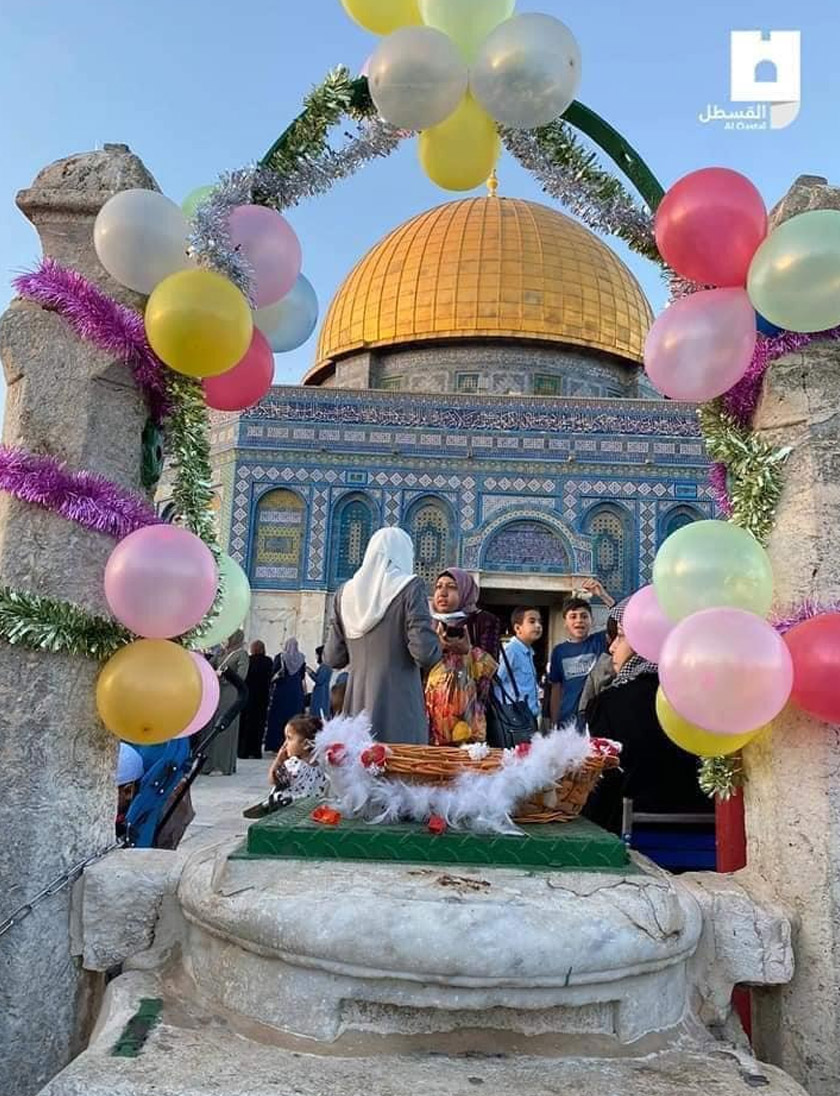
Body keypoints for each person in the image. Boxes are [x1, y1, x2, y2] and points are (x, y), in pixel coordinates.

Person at [582, 599, 709, 835]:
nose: (611, 648)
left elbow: (600, 788)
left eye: (620, 636)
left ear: (646, 642)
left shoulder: (610, 705)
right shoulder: (708, 698)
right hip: (706, 837)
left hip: (630, 838)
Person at [323, 527, 440, 744]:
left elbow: (333, 658)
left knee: (360, 769)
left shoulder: (344, 594)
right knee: (400, 772)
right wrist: (438, 640)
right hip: (400, 707)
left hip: (356, 707)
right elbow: (425, 653)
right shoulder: (410, 587)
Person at [548, 578, 615, 728]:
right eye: (573, 616)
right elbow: (556, 689)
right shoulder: (559, 651)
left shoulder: (600, 641)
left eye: (584, 616)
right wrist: (554, 721)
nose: (579, 621)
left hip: (596, 718)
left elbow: (622, 622)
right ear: (565, 622)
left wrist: (603, 595)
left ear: (592, 620)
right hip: (567, 721)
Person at [244, 715, 328, 819]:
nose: (285, 744)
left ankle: (266, 806)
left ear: (306, 744)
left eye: (289, 738)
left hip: (288, 810)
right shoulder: (322, 767)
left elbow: (273, 779)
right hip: (310, 811)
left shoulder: (294, 765)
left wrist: (279, 759)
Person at [202, 630, 249, 775]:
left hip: (230, 694)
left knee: (225, 729)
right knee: (211, 727)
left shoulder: (241, 654)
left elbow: (241, 676)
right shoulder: (222, 654)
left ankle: (222, 765)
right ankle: (207, 764)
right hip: (217, 693)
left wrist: (223, 676)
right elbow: (207, 666)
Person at [432, 567, 501, 660]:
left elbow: (491, 666)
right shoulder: (428, 622)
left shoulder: (484, 620)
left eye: (452, 587)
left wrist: (468, 650)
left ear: (466, 591)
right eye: (438, 587)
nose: (442, 593)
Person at [495, 607, 543, 719]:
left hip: (529, 716)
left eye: (540, 622)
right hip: (516, 717)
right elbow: (496, 682)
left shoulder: (528, 652)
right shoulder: (511, 650)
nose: (538, 626)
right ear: (517, 628)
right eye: (532, 621)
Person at [265, 637, 307, 752]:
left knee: (279, 717)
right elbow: (302, 675)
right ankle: (294, 745)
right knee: (294, 718)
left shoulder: (281, 657)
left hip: (282, 690)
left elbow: (274, 673)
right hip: (296, 691)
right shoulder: (301, 658)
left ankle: (275, 745)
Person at [238, 640, 273, 759]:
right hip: (262, 696)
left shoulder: (249, 660)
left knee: (246, 723)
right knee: (259, 723)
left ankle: (244, 751)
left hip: (249, 696)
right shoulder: (268, 661)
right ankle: (256, 751)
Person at [308, 646, 332, 719]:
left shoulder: (325, 666)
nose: (316, 657)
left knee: (319, 713)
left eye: (317, 655)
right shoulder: (325, 665)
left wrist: (310, 672)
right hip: (322, 691)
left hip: (321, 693)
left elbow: (319, 680)